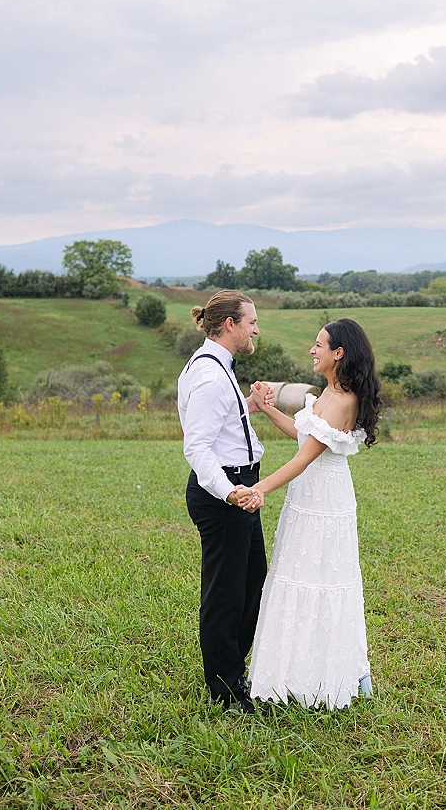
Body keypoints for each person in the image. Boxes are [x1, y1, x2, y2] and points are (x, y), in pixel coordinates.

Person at [236, 318, 382, 709]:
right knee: (295, 574)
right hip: (307, 497)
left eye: (319, 345)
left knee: (319, 578)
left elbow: (303, 459)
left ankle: (318, 677)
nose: (312, 351)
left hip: (325, 501)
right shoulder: (326, 395)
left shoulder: (344, 400)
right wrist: (267, 408)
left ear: (339, 353)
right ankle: (291, 672)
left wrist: (258, 488)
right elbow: (304, 436)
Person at [177, 289, 273, 714]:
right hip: (226, 494)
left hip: (240, 490)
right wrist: (231, 492)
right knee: (226, 593)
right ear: (230, 324)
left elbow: (220, 425)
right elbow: (197, 447)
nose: (256, 329)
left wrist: (249, 405)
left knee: (253, 579)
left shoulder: (218, 367)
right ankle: (226, 690)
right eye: (251, 321)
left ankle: (233, 667)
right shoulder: (211, 375)